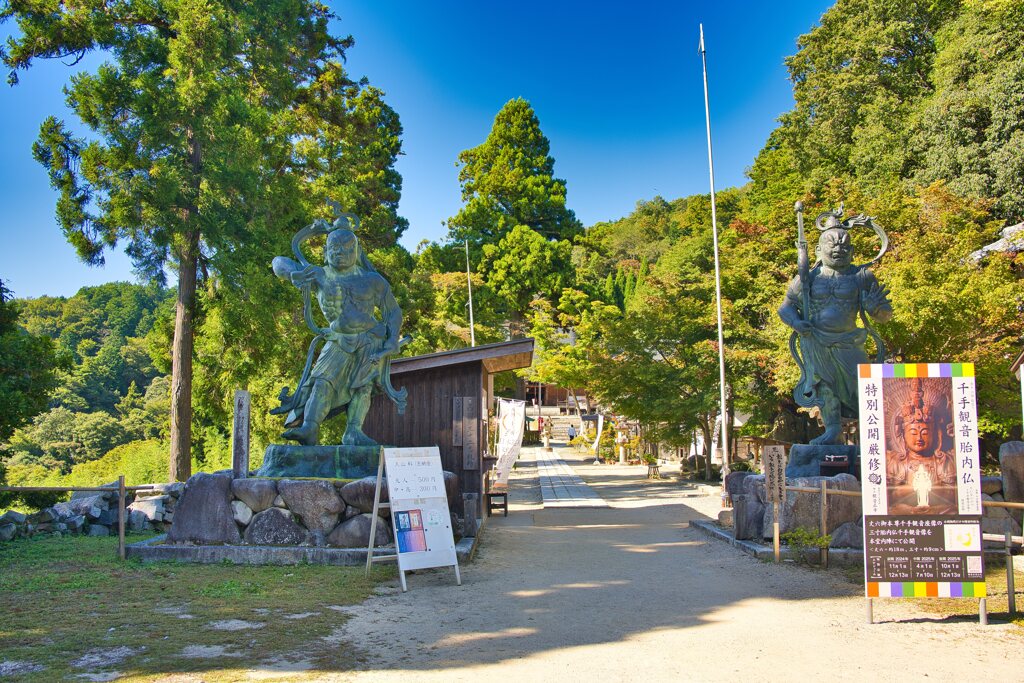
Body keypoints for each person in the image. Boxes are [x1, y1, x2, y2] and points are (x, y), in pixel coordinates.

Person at [271, 224, 405, 446]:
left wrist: (392, 340)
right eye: (334, 247)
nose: (340, 252)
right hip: (338, 340)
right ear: (325, 251)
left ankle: (353, 431)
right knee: (322, 381)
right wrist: (294, 274)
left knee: (363, 388)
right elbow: (278, 262)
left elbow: (393, 310)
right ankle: (309, 428)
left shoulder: (372, 280)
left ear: (356, 250)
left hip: (370, 340)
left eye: (346, 247)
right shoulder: (319, 274)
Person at [778, 211, 893, 444]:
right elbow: (785, 308)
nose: (838, 249)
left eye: (844, 245)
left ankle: (872, 435)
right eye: (831, 244)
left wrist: (874, 309)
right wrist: (797, 323)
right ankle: (832, 431)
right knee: (824, 387)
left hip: (849, 341)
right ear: (819, 250)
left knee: (861, 387)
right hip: (817, 340)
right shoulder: (808, 278)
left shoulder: (861, 276)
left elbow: (885, 316)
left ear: (851, 252)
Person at [885, 377, 956, 487]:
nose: (919, 438)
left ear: (936, 435)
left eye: (925, 433)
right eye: (913, 433)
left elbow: (951, 494)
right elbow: (890, 493)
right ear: (903, 435)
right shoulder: (895, 463)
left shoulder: (944, 462)